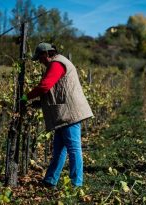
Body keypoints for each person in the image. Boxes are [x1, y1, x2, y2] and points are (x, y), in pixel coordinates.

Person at [25, 42, 93, 188]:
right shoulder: (56, 63)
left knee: (74, 149)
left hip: (70, 113)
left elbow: (44, 86)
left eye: (40, 58)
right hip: (62, 113)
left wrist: (26, 97)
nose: (40, 61)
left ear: (47, 54)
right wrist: (37, 103)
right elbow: (53, 92)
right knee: (59, 149)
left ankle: (77, 184)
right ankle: (50, 180)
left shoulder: (57, 64)